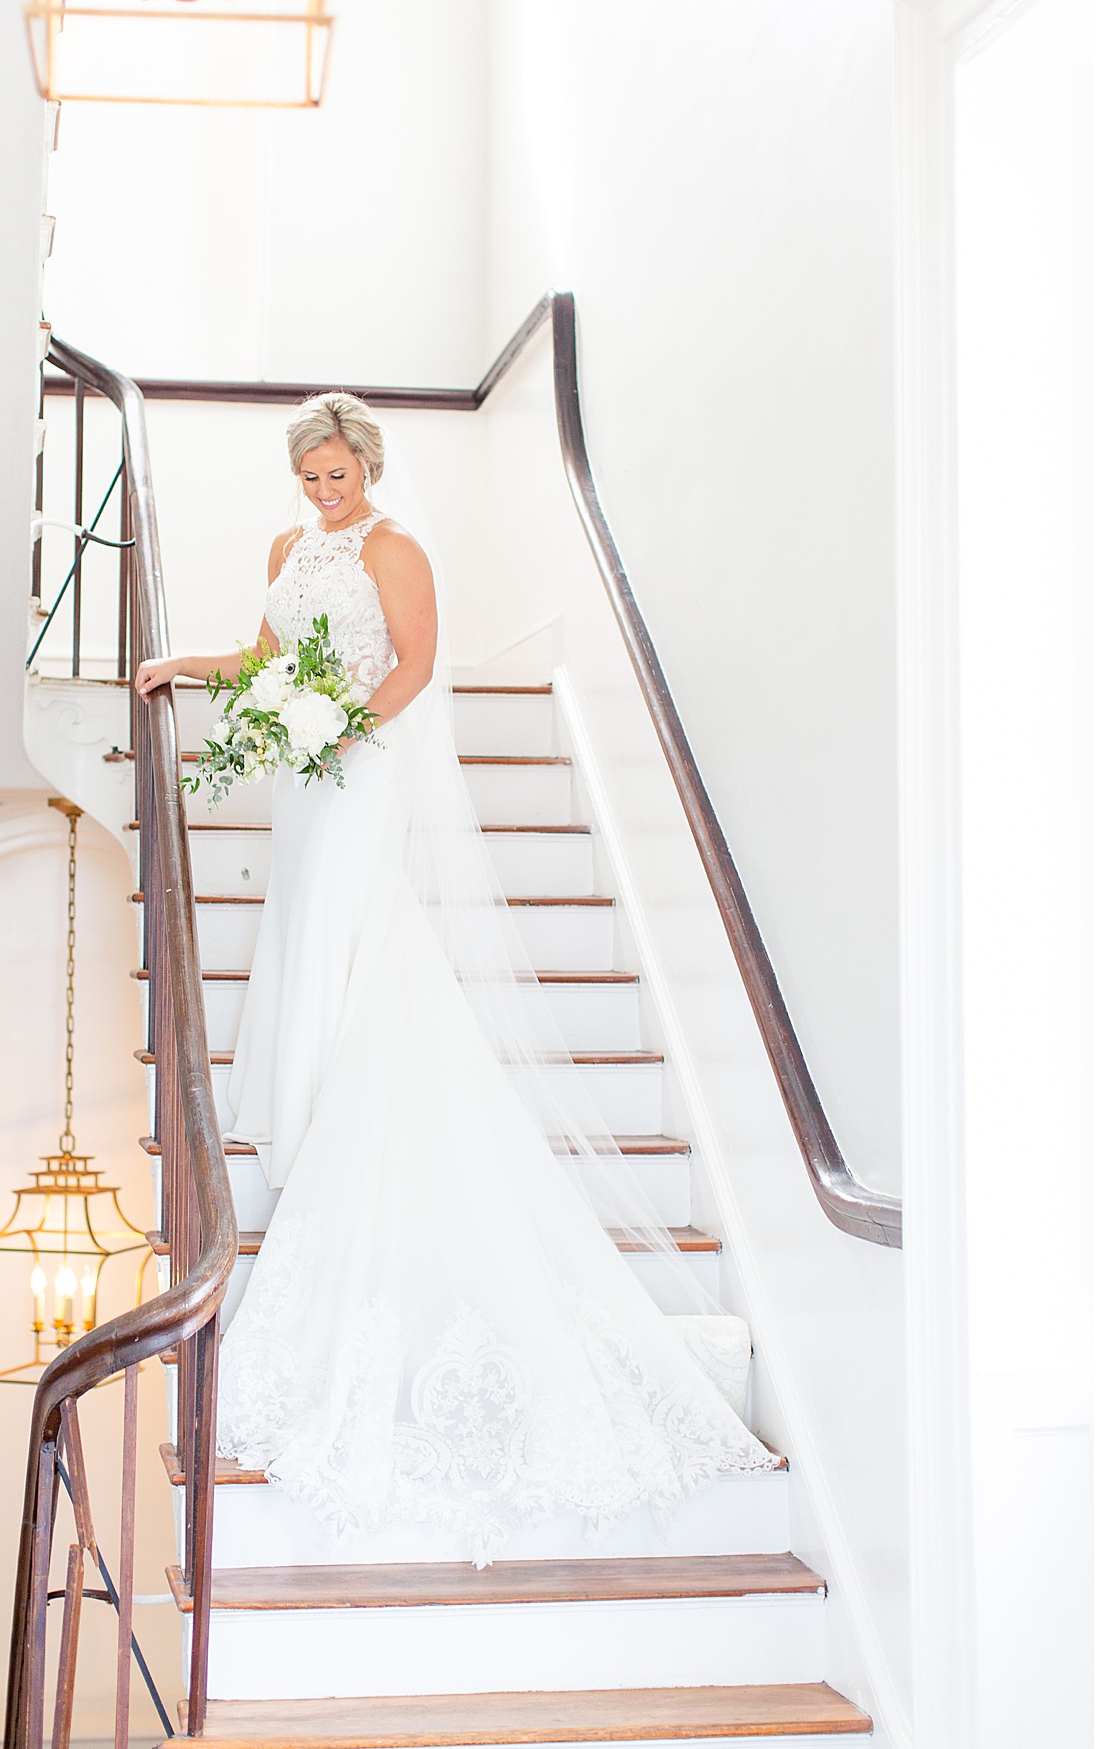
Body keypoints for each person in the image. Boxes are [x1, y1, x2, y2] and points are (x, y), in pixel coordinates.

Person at [136, 392, 778, 1565]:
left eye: (337, 476)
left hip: (360, 762)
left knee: (354, 913)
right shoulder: (287, 548)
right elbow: (269, 653)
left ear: (366, 467)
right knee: (304, 912)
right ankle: (307, 1087)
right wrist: (199, 663)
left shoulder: (397, 547)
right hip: (307, 762)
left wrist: (334, 727)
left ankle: (353, 1088)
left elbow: (417, 666)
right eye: (311, 479)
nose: (324, 494)